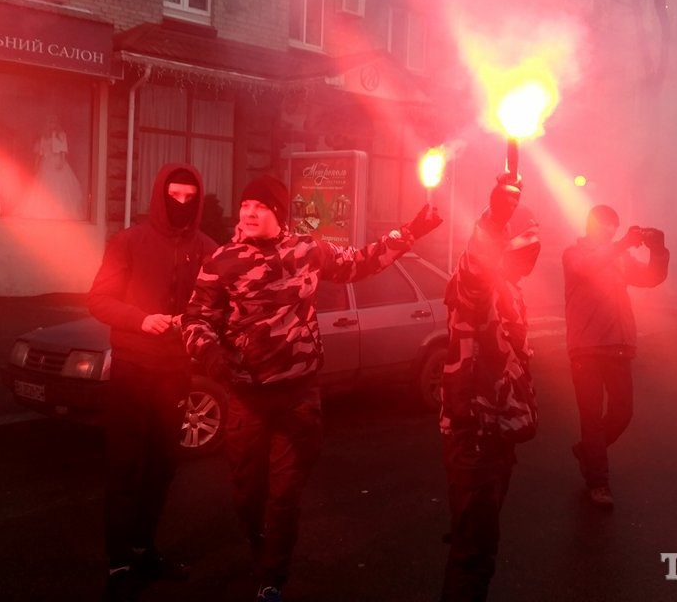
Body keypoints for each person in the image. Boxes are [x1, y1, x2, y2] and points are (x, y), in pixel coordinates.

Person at [181, 174, 442, 602]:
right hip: (247, 396)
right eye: (246, 204)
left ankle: (271, 578)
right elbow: (196, 318)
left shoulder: (307, 249)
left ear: (279, 215)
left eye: (261, 207)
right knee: (248, 491)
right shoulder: (222, 260)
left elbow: (361, 262)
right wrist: (210, 355)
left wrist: (410, 231)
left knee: (284, 494)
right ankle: (258, 543)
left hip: (298, 395)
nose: (249, 212)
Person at [87, 163, 217, 600]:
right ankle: (119, 560)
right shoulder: (129, 242)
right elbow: (99, 299)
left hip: (175, 373)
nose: (181, 205)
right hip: (133, 369)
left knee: (163, 467)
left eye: (189, 199)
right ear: (159, 196)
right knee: (125, 466)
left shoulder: (206, 248)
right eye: (173, 197)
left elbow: (220, 302)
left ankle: (143, 547)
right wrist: (142, 320)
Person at [438, 173, 541, 602]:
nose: (531, 257)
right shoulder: (479, 288)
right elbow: (472, 273)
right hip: (474, 432)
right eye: (526, 247)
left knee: (481, 542)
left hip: (499, 432)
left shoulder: (512, 292)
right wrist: (494, 219)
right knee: (473, 550)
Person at [562, 205, 669, 508]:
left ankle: (589, 450)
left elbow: (651, 278)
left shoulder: (619, 257)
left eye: (615, 225)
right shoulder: (574, 254)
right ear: (592, 225)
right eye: (606, 225)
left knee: (623, 411)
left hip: (618, 346)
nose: (611, 230)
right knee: (592, 416)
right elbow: (588, 267)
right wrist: (621, 244)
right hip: (586, 347)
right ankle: (599, 482)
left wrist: (659, 250)